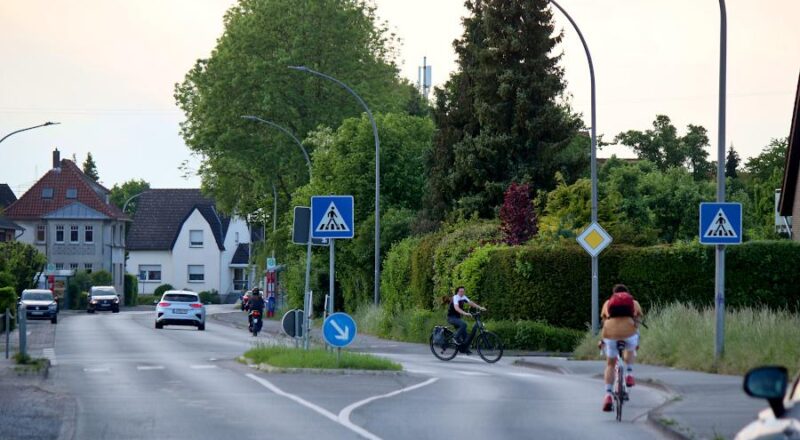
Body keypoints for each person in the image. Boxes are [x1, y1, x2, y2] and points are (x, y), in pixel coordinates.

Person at [600, 284, 643, 412]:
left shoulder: (607, 303)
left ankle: (608, 395)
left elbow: (604, 321)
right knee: (631, 348)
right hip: (629, 332)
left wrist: (602, 341)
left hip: (610, 333)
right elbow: (638, 319)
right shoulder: (634, 303)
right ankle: (629, 373)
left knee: (610, 364)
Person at [446, 286, 486, 355]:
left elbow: (471, 303)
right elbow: (457, 308)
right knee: (464, 324)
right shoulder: (455, 297)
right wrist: (465, 313)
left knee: (466, 336)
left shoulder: (463, 297)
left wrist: (480, 307)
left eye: (463, 291)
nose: (462, 293)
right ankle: (455, 338)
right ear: (457, 292)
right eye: (460, 291)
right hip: (451, 317)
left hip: (457, 318)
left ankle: (464, 349)